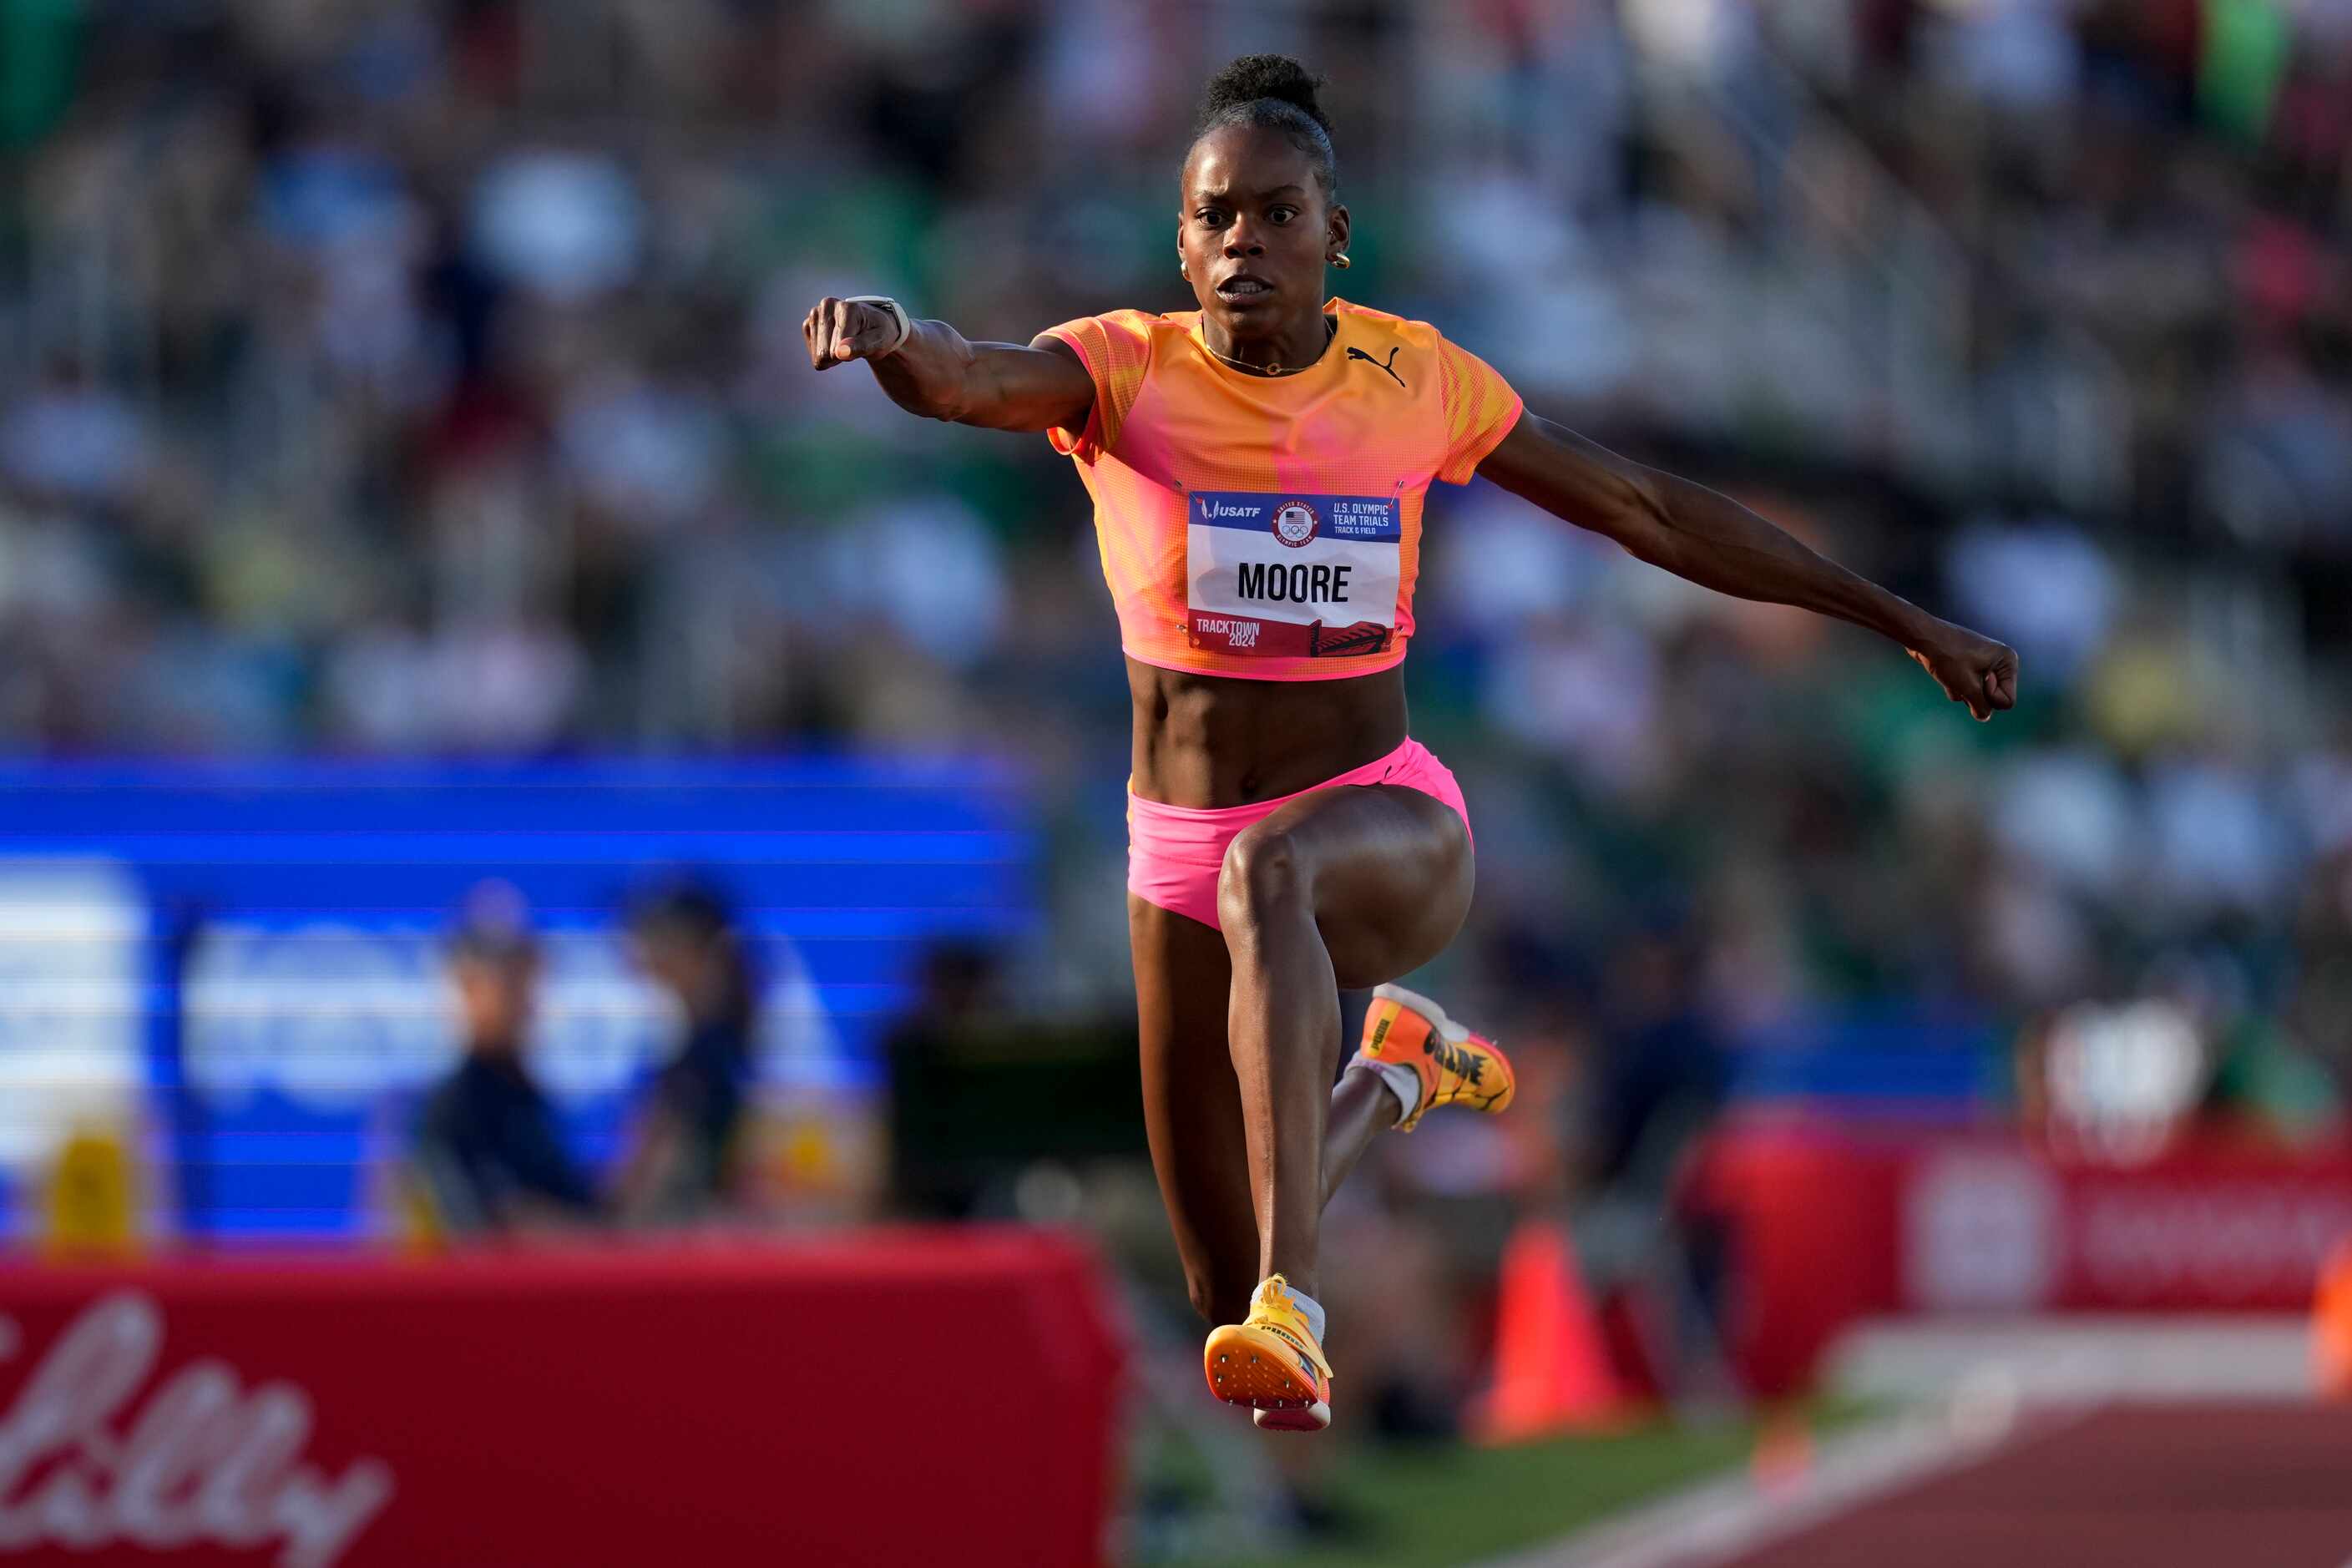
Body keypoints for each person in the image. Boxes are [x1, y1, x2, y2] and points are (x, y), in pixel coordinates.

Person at [802, 54, 2017, 1432]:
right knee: (1217, 1273)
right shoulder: (1121, 370)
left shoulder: (1414, 378)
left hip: (1382, 815)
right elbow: (968, 380)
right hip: (1173, 851)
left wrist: (1893, 614)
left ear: (1335, 230)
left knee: (1276, 884)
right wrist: (897, 334)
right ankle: (1392, 1070)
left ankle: (1299, 1307)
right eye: (1211, 215)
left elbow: (1649, 511)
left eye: (1273, 212)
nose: (1240, 242)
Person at [413, 884, 601, 1237]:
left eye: (527, 974)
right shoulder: (455, 1108)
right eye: (508, 979)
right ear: (466, 985)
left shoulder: (527, 1094)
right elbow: (490, 1229)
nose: (526, 996)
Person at [615, 877, 758, 1226]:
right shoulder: (694, 1055)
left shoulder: (713, 1060)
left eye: (662, 941)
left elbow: (641, 1194)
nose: (647, 959)